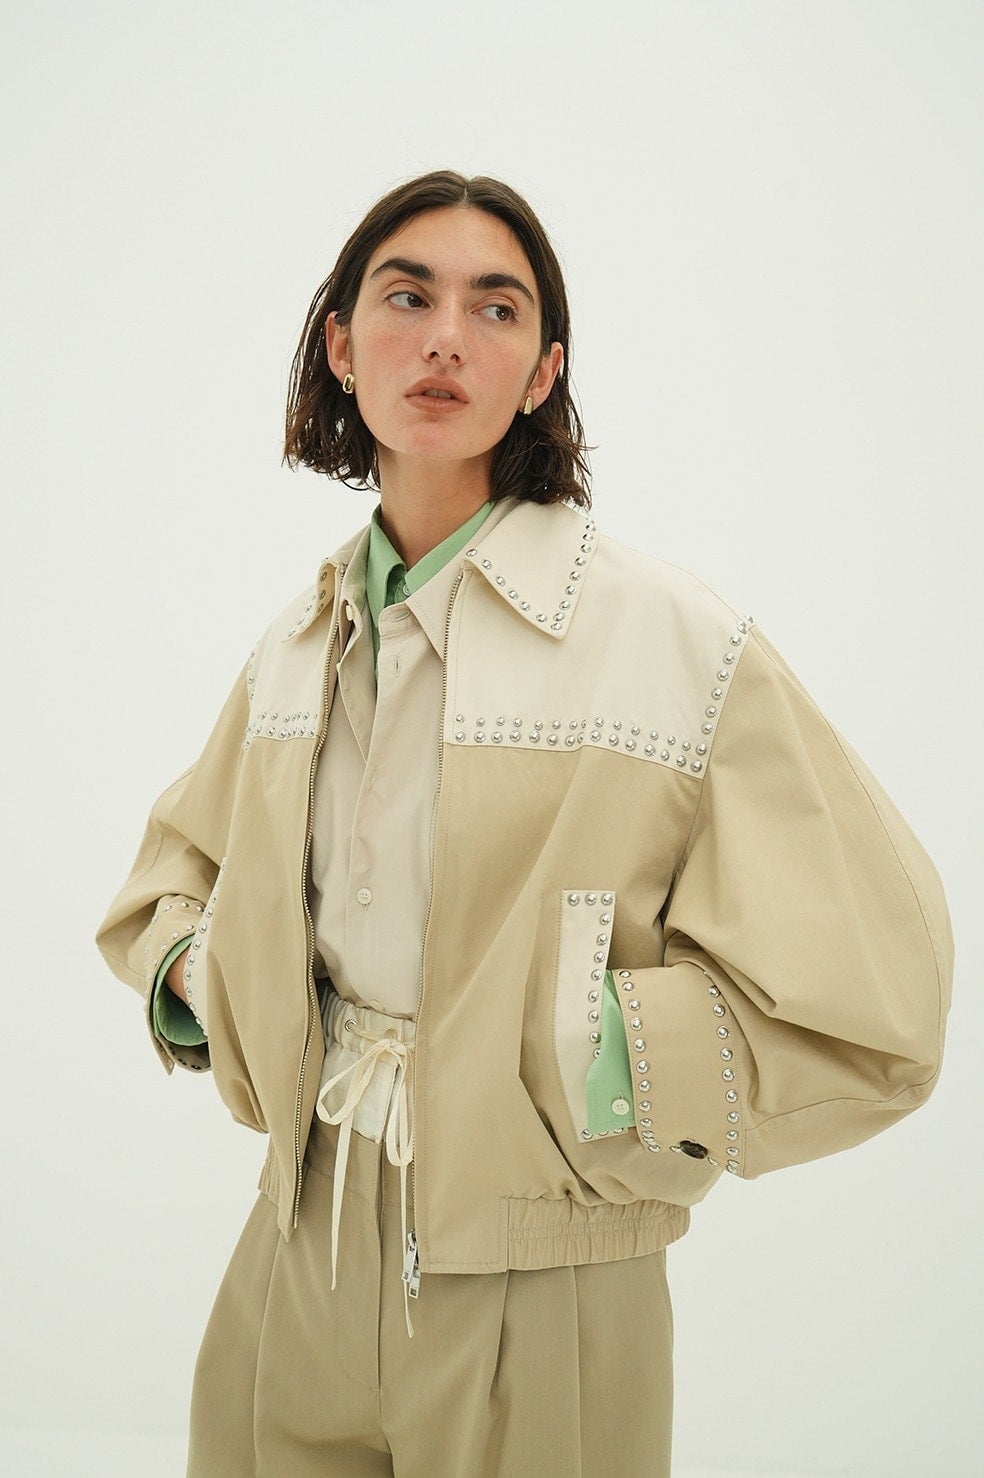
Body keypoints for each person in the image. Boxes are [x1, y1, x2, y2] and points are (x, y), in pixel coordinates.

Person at [96, 170, 953, 1478]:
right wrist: (206, 980)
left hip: (548, 1277)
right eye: (407, 296)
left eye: (496, 308)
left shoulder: (671, 639)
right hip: (293, 1247)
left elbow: (882, 990)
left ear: (544, 372)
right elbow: (172, 877)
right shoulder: (299, 641)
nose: (447, 336)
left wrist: (595, 1059)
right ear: (340, 342)